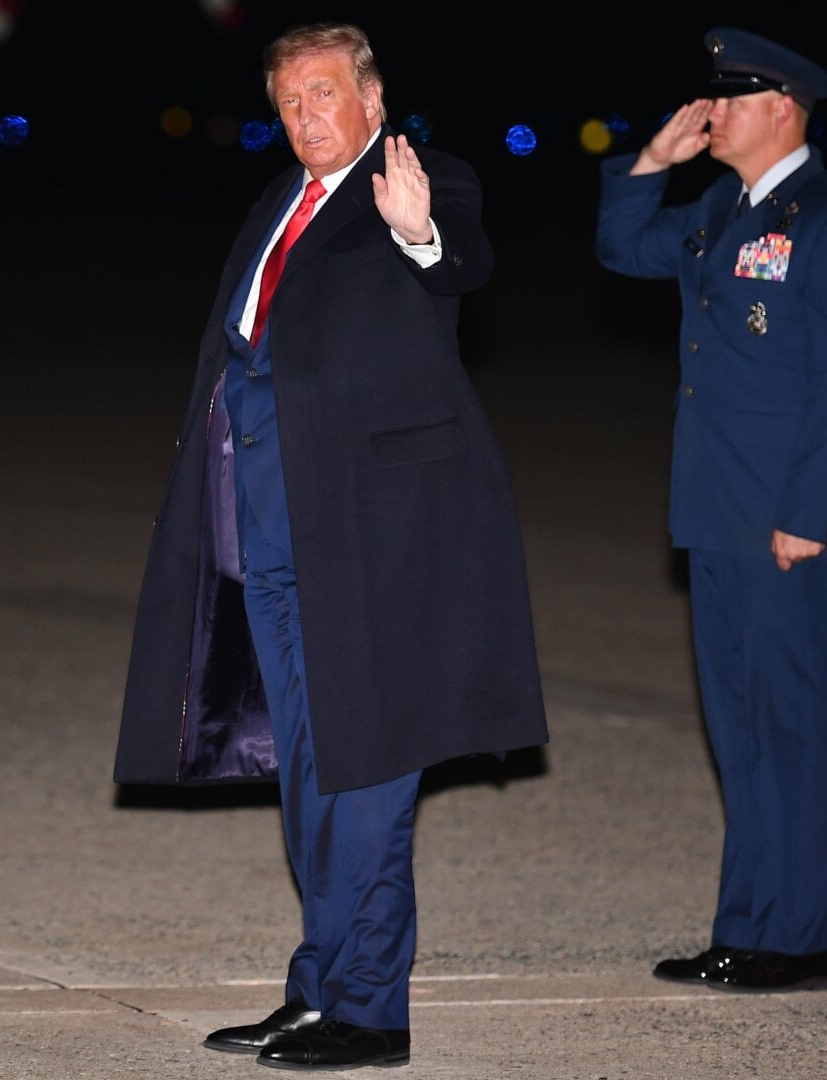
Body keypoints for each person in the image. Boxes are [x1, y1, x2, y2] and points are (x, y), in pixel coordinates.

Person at [113, 22, 546, 1071]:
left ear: (372, 99)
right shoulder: (278, 200)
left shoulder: (422, 180)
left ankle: (371, 1009)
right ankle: (316, 989)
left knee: (370, 770)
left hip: (371, 536)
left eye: (323, 93)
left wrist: (419, 233)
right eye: (289, 101)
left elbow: (462, 263)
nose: (305, 116)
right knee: (308, 772)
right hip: (268, 532)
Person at [594, 28, 827, 991]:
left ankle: (799, 941)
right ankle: (747, 927)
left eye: (732, 97)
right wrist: (650, 162)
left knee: (794, 729)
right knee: (742, 734)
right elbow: (621, 248)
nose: (712, 111)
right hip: (716, 511)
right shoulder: (720, 208)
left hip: (787, 525)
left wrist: (811, 512)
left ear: (784, 108)